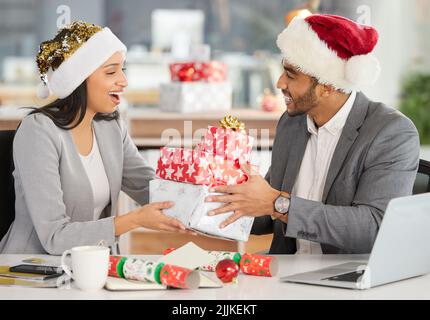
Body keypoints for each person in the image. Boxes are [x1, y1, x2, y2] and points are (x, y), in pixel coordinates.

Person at [205, 14, 420, 254]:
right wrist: (212, 199)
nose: (279, 83)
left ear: (327, 87)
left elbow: (375, 228)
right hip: (287, 275)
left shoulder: (390, 132)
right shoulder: (292, 123)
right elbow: (266, 214)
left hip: (349, 281)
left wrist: (278, 204)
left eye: (291, 75)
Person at [0, 21, 192, 255]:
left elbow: (149, 187)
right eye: (111, 71)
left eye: (123, 69)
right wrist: (135, 219)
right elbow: (55, 237)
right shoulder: (38, 131)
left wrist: (200, 205)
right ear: (78, 79)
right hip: (32, 270)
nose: (123, 81)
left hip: (89, 267)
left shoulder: (110, 126)